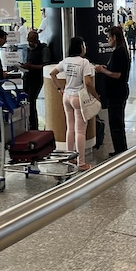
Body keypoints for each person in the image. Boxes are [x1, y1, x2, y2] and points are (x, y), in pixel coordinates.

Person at [49, 36, 99, 172]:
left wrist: (59, 88)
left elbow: (52, 74)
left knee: (70, 128)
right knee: (80, 131)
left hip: (66, 96)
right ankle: (81, 163)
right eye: (84, 45)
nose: (85, 48)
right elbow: (88, 83)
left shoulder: (66, 61)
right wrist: (96, 96)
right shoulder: (84, 62)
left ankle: (69, 158)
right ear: (80, 47)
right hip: (78, 97)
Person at [95, 26, 130, 156]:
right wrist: (106, 67)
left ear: (114, 37)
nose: (108, 39)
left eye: (109, 37)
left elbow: (117, 74)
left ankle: (120, 150)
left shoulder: (118, 52)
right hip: (117, 92)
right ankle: (120, 149)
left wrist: (102, 70)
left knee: (116, 123)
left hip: (116, 93)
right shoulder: (121, 51)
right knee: (117, 122)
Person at [20, 30, 50, 130]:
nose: (30, 44)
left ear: (37, 40)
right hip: (28, 77)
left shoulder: (44, 50)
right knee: (26, 101)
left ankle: (34, 125)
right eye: (29, 41)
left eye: (32, 41)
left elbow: (46, 66)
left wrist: (31, 66)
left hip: (36, 78)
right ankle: (28, 123)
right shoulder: (30, 50)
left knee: (31, 101)